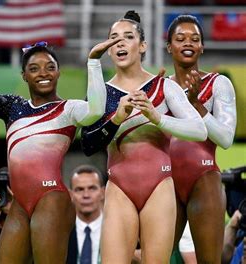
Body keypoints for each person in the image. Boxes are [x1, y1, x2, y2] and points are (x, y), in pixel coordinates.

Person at [0, 19, 119, 263]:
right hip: (19, 205)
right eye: (34, 68)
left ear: (58, 71)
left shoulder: (68, 109)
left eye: (49, 67)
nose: (43, 73)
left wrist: (94, 61)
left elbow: (96, 111)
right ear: (24, 75)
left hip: (51, 198)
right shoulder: (14, 107)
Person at [80, 10, 207, 263]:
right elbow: (88, 144)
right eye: (114, 38)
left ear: (143, 45)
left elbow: (199, 130)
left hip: (159, 187)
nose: (120, 43)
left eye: (128, 36)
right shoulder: (101, 93)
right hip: (119, 188)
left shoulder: (163, 87)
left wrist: (156, 116)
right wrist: (116, 118)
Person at [166, 14, 237, 263]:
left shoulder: (219, 84)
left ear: (202, 47)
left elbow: (226, 138)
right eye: (180, 38)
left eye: (194, 39)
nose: (188, 43)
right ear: (169, 46)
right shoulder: (160, 87)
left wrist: (197, 105)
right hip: (166, 182)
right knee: (154, 259)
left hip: (204, 178)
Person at [67, 165, 105, 264]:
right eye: (79, 189)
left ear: (102, 192)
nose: (86, 195)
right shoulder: (61, 234)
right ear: (71, 195)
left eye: (92, 188)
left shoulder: (118, 230)